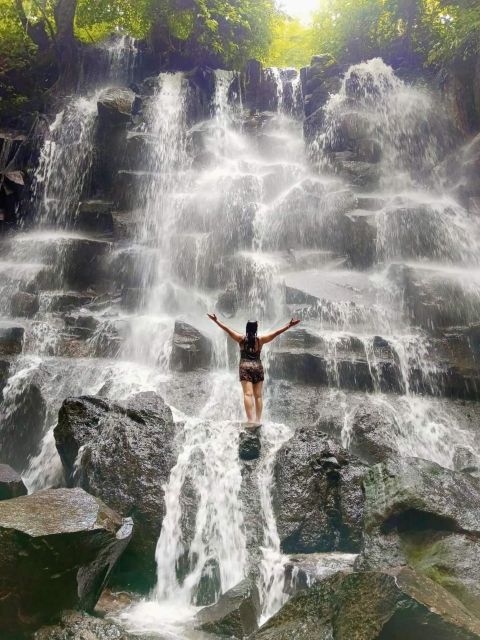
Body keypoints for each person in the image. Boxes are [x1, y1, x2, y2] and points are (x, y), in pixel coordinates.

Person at [207, 314, 301, 424]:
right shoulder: (260, 340)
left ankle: (250, 420)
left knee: (248, 394)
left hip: (245, 368)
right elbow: (276, 333)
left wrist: (216, 321)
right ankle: (258, 420)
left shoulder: (241, 339)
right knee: (258, 396)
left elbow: (227, 329)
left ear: (247, 328)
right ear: (256, 329)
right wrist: (289, 325)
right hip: (258, 368)